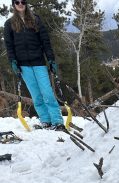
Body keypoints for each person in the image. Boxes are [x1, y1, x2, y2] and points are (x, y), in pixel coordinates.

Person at [3, 0, 65, 130]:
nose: (20, 4)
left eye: (23, 1)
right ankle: (46, 120)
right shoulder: (9, 24)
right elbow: (9, 46)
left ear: (26, 3)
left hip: (39, 63)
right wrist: (13, 61)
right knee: (36, 95)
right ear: (13, 4)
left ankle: (57, 120)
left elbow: (45, 41)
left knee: (47, 93)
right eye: (17, 2)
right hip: (23, 66)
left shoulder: (36, 19)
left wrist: (51, 60)